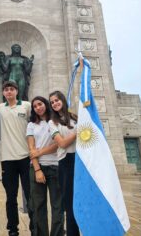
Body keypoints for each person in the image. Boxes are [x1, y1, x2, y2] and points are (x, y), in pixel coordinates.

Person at [0, 80, 33, 236]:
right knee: (11, 197)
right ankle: (13, 229)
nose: (9, 92)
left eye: (11, 89)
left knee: (31, 195)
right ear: (4, 93)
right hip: (7, 159)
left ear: (17, 91)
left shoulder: (27, 105)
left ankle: (35, 226)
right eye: (6, 90)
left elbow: (34, 127)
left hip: (25, 157)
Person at [26, 96, 63, 236]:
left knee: (57, 206)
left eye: (40, 104)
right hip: (37, 168)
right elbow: (31, 148)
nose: (38, 108)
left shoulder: (56, 122)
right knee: (38, 206)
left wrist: (39, 152)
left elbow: (57, 144)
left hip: (55, 166)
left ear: (46, 104)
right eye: (35, 106)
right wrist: (37, 170)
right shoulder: (31, 125)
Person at [49, 91, 79, 236]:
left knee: (81, 200)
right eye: (52, 102)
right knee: (70, 204)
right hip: (65, 163)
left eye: (56, 100)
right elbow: (61, 143)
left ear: (62, 99)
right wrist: (77, 132)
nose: (55, 103)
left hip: (80, 161)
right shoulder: (52, 122)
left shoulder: (75, 117)